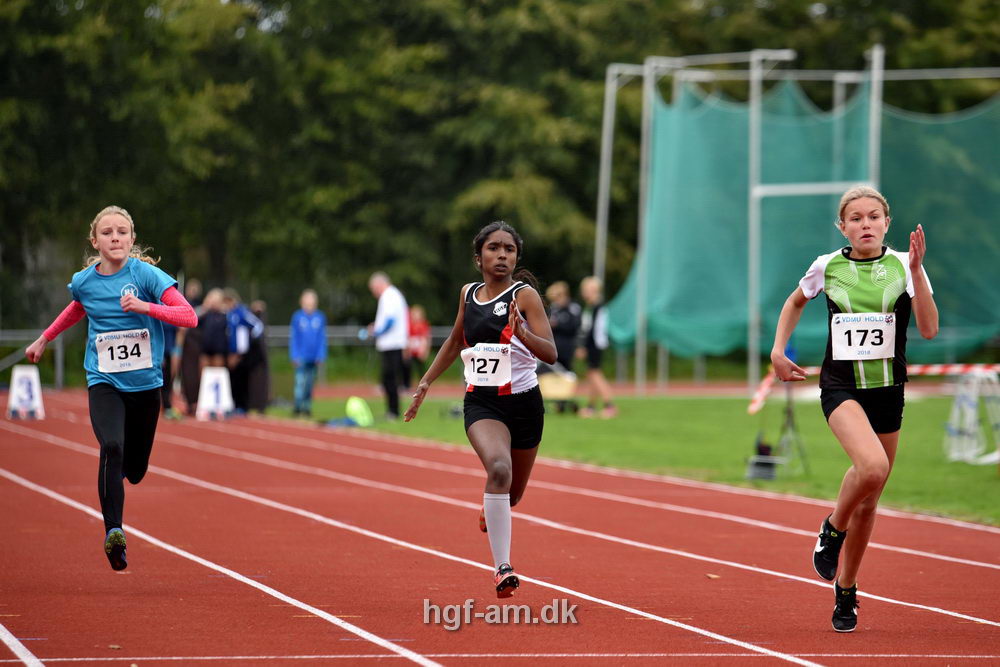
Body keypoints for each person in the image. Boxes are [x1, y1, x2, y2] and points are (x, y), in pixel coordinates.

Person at [770, 186, 938, 632]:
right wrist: (778, 350)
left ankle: (846, 588)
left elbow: (928, 329)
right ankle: (831, 529)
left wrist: (918, 273)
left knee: (872, 498)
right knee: (871, 467)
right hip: (841, 386)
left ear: (887, 223)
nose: (866, 224)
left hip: (888, 390)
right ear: (842, 226)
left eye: (874, 217)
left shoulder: (905, 265)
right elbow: (794, 301)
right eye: (856, 218)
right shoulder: (828, 266)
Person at [25, 205, 197, 570]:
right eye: (107, 232)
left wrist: (145, 307)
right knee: (112, 446)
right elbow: (77, 307)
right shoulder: (85, 280)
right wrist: (44, 339)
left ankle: (120, 479)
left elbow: (189, 316)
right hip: (103, 380)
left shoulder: (148, 276)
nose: (115, 237)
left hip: (146, 385)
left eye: (122, 231)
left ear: (132, 239)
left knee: (135, 470)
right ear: (95, 240)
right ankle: (114, 532)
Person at [404, 221, 556, 598]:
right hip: (483, 402)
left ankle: (492, 504)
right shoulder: (469, 294)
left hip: (525, 404)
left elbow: (551, 353)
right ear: (479, 258)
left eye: (509, 249)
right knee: (499, 469)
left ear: (516, 256)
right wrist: (425, 382)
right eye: (494, 248)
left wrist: (524, 334)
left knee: (511, 494)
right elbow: (456, 339)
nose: (502, 254)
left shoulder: (525, 297)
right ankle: (502, 567)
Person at [367, 272, 408, 419]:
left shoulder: (389, 296)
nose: (374, 293)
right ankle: (392, 410)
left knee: (389, 378)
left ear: (378, 285)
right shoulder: (393, 295)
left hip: (392, 343)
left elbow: (390, 320)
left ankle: (393, 410)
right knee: (388, 378)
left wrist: (376, 331)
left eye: (373, 289)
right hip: (392, 343)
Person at [576, 276, 616, 418]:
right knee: (591, 375)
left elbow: (592, 329)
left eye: (586, 290)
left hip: (595, 344)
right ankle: (591, 407)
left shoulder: (597, 306)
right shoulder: (591, 306)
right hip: (593, 344)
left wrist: (583, 347)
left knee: (595, 374)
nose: (584, 293)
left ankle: (609, 405)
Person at [223, 288, 264, 414]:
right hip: (229, 353)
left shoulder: (241, 312)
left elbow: (258, 325)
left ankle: (243, 406)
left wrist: (249, 342)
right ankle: (233, 404)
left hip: (241, 354)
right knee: (231, 380)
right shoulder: (227, 314)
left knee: (242, 380)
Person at [290, 289, 327, 417]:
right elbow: (294, 338)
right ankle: (298, 406)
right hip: (301, 356)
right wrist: (294, 355)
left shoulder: (320, 317)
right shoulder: (297, 317)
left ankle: (307, 407)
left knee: (309, 383)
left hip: (313, 356)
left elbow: (322, 338)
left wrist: (321, 354)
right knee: (300, 382)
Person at [177, 278, 203, 415]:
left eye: (195, 289)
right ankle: (187, 400)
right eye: (190, 288)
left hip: (196, 345)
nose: (192, 292)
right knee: (185, 373)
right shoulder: (182, 302)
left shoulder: (201, 306)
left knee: (195, 374)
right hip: (184, 344)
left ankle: (196, 402)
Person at [247, 299, 271, 413]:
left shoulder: (261, 322)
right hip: (251, 356)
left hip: (261, 356)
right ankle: (251, 404)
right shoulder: (249, 320)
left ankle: (261, 405)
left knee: (262, 382)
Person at [403, 304, 431, 390]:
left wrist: (425, 351)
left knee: (421, 368)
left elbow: (426, 338)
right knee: (407, 367)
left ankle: (423, 384)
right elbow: (406, 337)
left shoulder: (424, 324)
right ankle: (406, 385)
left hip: (419, 351)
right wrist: (406, 350)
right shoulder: (408, 324)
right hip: (411, 350)